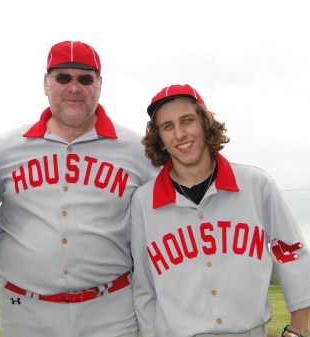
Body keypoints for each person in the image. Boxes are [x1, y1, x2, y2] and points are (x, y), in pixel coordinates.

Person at [0, 40, 158, 337]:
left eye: (85, 79)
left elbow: (169, 215)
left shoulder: (136, 150)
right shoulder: (4, 149)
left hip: (110, 308)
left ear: (99, 85)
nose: (74, 87)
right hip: (25, 311)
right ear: (46, 84)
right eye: (63, 78)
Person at [130, 83, 310, 337]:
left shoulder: (256, 185)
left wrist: (298, 332)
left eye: (187, 120)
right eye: (167, 126)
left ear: (205, 123)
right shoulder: (143, 202)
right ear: (159, 137)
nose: (180, 134)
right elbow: (144, 289)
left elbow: (292, 256)